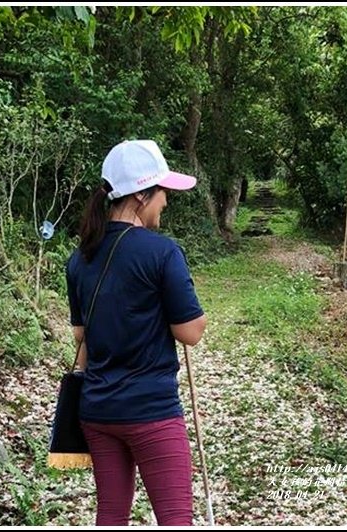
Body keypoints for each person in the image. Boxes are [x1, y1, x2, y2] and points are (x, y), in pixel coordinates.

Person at [65, 139, 207, 526]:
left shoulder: (80, 258)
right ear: (142, 195)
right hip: (151, 412)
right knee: (176, 519)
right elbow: (191, 332)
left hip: (97, 410)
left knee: (110, 516)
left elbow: (82, 336)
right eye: (163, 192)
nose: (166, 201)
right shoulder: (162, 253)